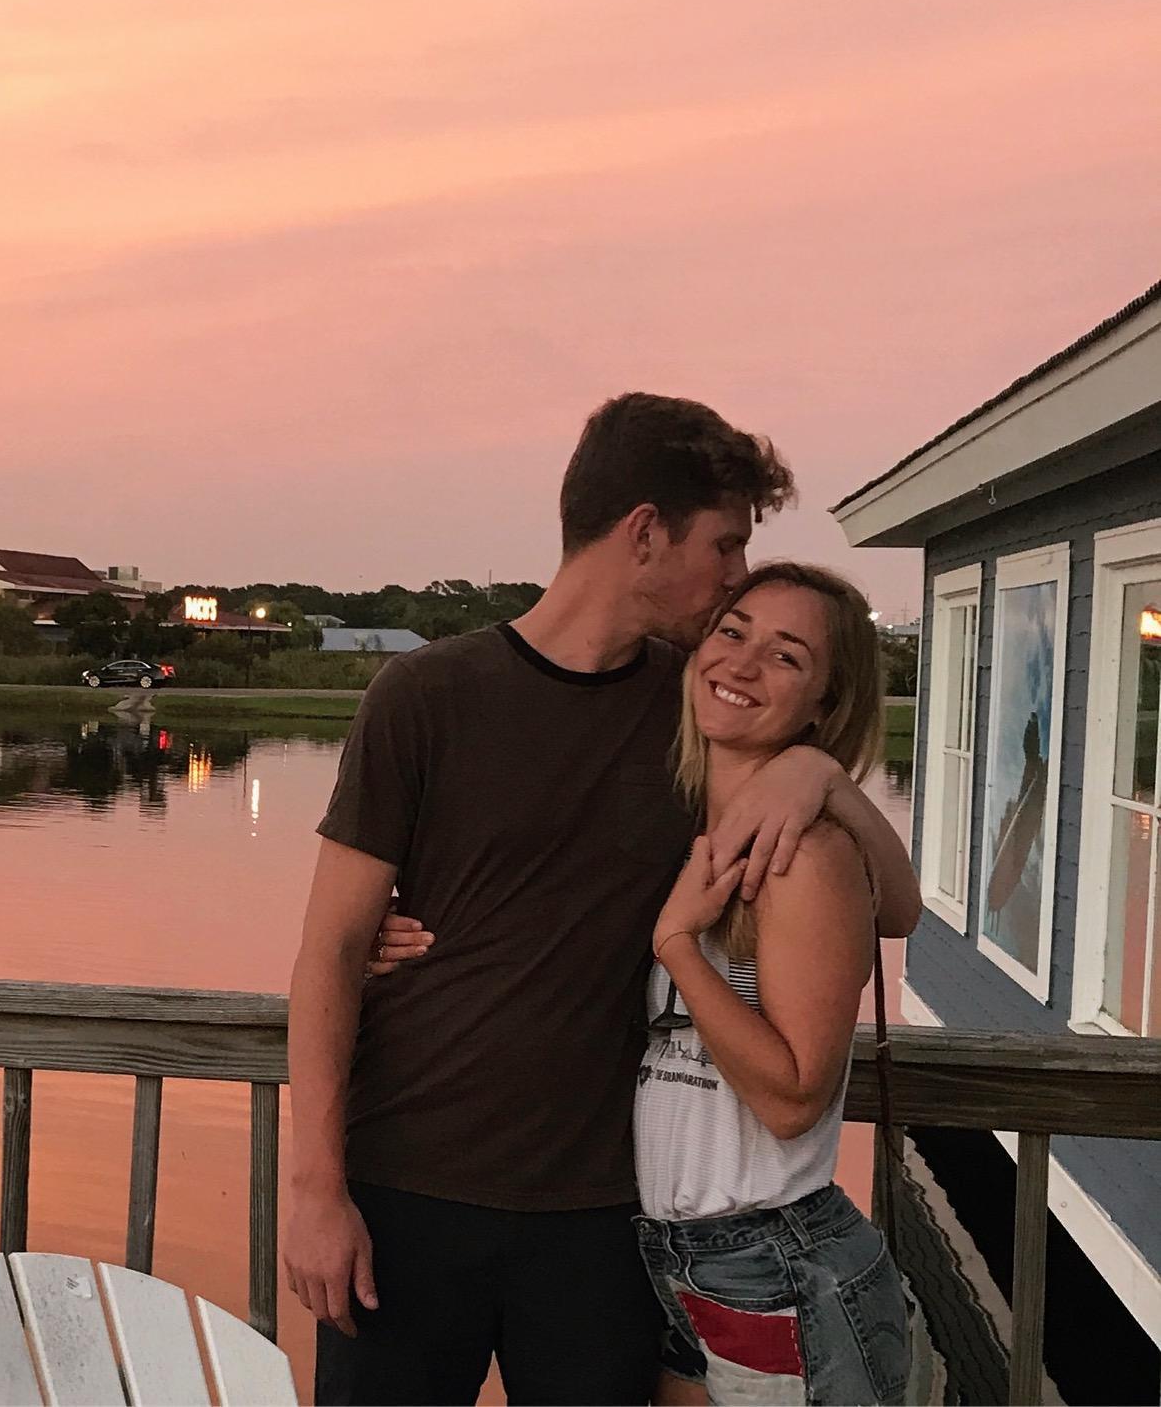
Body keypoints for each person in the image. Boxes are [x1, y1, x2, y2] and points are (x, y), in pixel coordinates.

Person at [283, 394, 922, 1406]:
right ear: (644, 532)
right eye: (724, 545)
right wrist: (315, 1190)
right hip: (404, 1193)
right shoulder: (427, 696)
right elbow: (328, 952)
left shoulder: (693, 710)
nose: (735, 578)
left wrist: (823, 780)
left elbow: (889, 910)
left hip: (603, 1223)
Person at [632, 561, 912, 1404]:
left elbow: (793, 1098)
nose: (743, 664)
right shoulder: (695, 831)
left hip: (773, 1263)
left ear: (827, 702)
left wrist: (678, 945)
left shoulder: (806, 859)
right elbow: (902, 911)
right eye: (733, 631)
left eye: (787, 656)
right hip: (681, 1257)